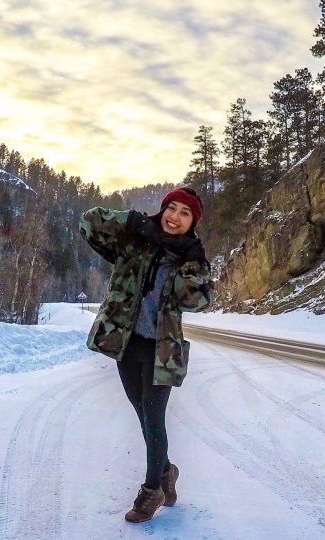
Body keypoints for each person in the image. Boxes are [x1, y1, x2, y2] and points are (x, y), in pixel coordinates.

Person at [79, 187, 213, 523]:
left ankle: (152, 490)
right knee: (141, 415)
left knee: (154, 419)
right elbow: (89, 224)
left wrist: (191, 264)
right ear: (162, 208)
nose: (175, 217)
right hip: (126, 344)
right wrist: (133, 221)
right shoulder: (135, 240)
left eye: (185, 213)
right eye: (172, 208)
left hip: (161, 349)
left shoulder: (192, 259)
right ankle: (167, 471)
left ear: (192, 222)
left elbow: (198, 300)